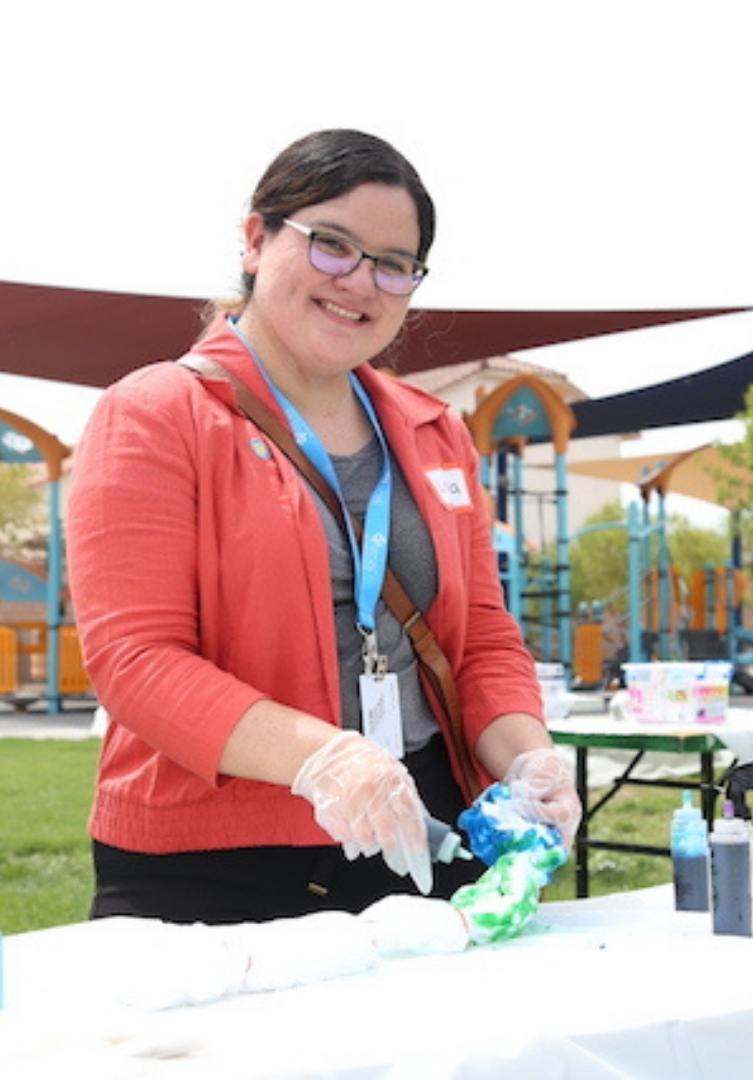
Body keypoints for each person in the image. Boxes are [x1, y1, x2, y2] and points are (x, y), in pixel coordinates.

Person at [67, 129, 581, 924]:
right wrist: (324, 759)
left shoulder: (433, 429)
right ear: (255, 238)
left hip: (422, 842)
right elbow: (136, 661)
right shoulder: (155, 413)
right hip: (213, 867)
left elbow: (480, 634)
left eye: (393, 263)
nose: (360, 283)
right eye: (332, 245)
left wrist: (529, 760)